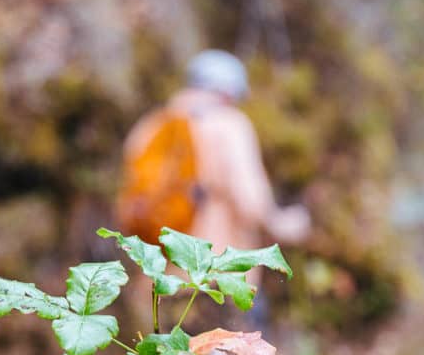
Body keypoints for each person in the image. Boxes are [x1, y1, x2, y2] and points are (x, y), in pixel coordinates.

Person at [121, 49, 310, 278]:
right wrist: (283, 225)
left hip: (158, 272)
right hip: (214, 270)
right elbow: (251, 200)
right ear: (229, 92)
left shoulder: (152, 125)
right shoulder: (230, 125)